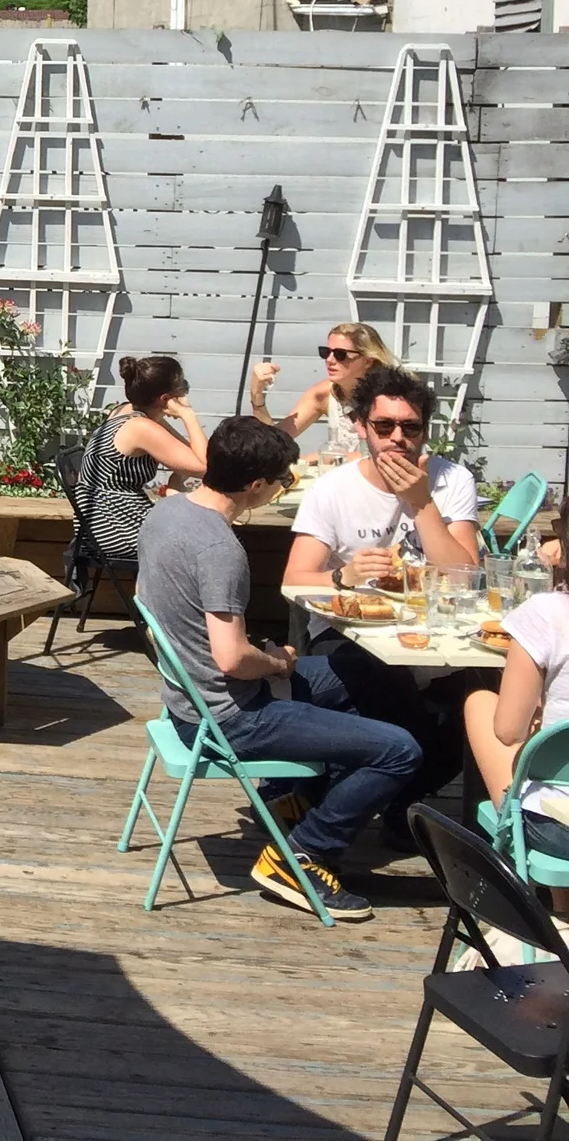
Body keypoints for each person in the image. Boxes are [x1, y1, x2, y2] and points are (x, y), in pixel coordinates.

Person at [136, 415, 419, 921]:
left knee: (367, 670)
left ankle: (300, 798)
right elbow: (232, 658)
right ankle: (306, 854)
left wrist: (275, 663)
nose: (283, 488)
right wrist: (277, 662)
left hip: (189, 697)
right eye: (282, 480)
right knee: (400, 750)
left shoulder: (167, 512)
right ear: (256, 486)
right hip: (230, 718)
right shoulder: (220, 549)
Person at [283, 363, 484, 842]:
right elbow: (294, 579)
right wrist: (343, 575)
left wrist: (420, 501)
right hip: (351, 635)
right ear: (361, 427)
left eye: (410, 427)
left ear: (424, 431)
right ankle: (345, 813)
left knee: (483, 698)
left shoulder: (450, 480)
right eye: (384, 426)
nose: (398, 438)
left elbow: (464, 579)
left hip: (435, 633)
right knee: (389, 692)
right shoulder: (333, 489)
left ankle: (399, 804)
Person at [465, 526, 569, 874]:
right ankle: (562, 909)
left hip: (560, 833)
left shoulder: (546, 613)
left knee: (481, 702)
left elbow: (509, 732)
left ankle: (553, 911)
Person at [72, 354, 208, 566]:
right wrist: (189, 416)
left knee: (198, 531)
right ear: (166, 399)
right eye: (182, 388)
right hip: (114, 528)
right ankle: (167, 599)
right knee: (204, 542)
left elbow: (189, 454)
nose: (185, 394)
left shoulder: (127, 411)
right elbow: (205, 467)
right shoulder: (140, 428)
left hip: (98, 523)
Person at [250, 322, 396, 461]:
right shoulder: (324, 394)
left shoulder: (391, 397)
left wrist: (318, 458)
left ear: (368, 361)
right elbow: (273, 444)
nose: (330, 360)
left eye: (340, 354)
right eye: (326, 352)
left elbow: (387, 454)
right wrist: (257, 397)